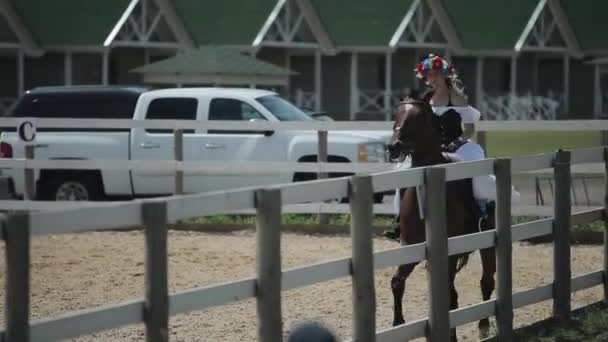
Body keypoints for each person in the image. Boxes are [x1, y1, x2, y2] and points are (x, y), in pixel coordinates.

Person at [383, 54, 519, 241]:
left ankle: (481, 214)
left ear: (444, 75)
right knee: (403, 175)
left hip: (459, 146)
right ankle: (400, 222)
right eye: (428, 75)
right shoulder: (425, 99)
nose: (431, 79)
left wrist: (454, 144)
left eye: (434, 75)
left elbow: (470, 129)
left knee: (476, 172)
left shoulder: (457, 98)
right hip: (432, 149)